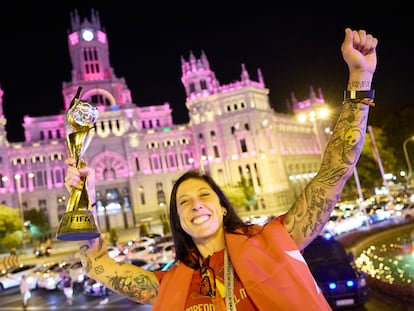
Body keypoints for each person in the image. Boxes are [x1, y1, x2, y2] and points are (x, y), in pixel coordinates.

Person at [64, 28, 378, 310]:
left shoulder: (273, 243)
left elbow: (335, 169)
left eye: (204, 194)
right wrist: (83, 201)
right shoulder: (170, 284)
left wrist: (360, 79)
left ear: (223, 207)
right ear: (178, 221)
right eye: (183, 202)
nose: (195, 204)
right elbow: (97, 264)